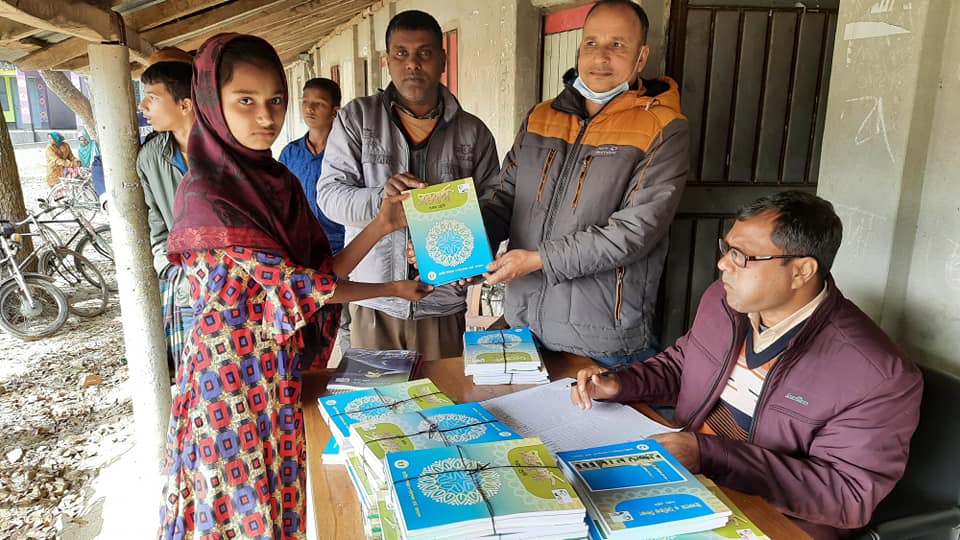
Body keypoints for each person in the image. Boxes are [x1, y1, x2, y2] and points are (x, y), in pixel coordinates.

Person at [158, 33, 432, 539]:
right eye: (246, 101)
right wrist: (389, 288)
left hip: (280, 373)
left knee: (283, 500)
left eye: (275, 100)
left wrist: (383, 225)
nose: (266, 117)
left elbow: (320, 274)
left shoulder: (278, 182)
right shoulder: (207, 195)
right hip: (228, 387)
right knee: (238, 513)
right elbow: (301, 288)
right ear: (211, 102)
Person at [571, 191, 923, 538]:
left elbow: (846, 495)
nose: (723, 264)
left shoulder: (876, 374)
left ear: (801, 271)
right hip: (685, 474)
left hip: (776, 516)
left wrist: (709, 455)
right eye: (727, 249)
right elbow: (683, 365)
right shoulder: (724, 301)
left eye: (742, 256)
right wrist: (621, 383)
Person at [478, 0, 689, 365]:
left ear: (641, 57)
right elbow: (504, 198)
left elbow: (634, 232)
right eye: (591, 43)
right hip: (523, 323)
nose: (600, 57)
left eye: (617, 45)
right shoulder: (541, 117)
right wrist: (460, 245)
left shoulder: (663, 128)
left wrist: (539, 260)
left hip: (601, 340)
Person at [317, 10, 499, 360]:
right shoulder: (357, 119)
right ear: (387, 61)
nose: (413, 64)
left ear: (443, 59)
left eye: (424, 53)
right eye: (401, 53)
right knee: (377, 394)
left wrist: (471, 260)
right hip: (376, 299)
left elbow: (494, 207)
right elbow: (329, 196)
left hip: (442, 301)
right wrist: (384, 202)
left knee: (443, 392)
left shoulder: (473, 133)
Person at [279, 78, 351, 357]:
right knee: (309, 318)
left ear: (334, 111)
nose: (309, 109)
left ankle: (347, 370)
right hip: (303, 251)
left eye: (318, 104)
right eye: (306, 102)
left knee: (345, 318)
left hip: (342, 247)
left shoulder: (346, 152)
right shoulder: (291, 153)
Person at [136, 53, 196, 374]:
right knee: (193, 376)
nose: (143, 106)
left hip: (234, 287)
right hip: (187, 287)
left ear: (185, 104)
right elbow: (156, 226)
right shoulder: (150, 157)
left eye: (152, 97)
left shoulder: (228, 150)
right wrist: (173, 271)